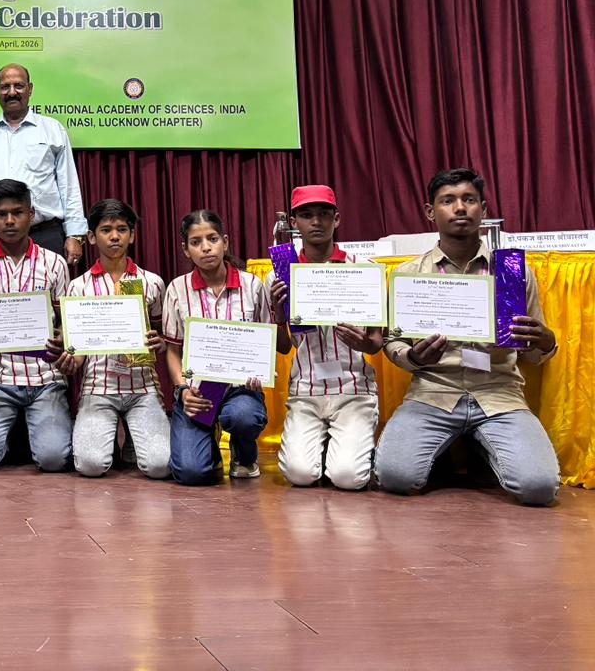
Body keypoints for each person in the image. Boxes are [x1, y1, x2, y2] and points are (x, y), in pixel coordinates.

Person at [374, 168, 560, 506]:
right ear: (430, 212)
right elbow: (392, 341)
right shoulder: (408, 274)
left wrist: (546, 341)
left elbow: (533, 353)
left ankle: (478, 443)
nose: (460, 208)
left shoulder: (512, 272)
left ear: (483, 209)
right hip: (433, 392)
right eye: (448, 201)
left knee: (539, 488)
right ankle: (450, 445)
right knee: (395, 476)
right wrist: (412, 357)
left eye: (469, 199)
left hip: (498, 394)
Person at [266, 186, 382, 491]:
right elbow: (283, 347)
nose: (316, 222)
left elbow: (376, 343)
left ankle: (346, 446)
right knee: (300, 474)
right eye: (306, 215)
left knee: (348, 478)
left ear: (337, 219)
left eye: (323, 214)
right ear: (294, 223)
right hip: (307, 390)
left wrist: (362, 344)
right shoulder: (280, 275)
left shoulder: (363, 269)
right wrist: (279, 314)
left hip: (354, 389)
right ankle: (328, 445)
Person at [164, 209, 284, 484]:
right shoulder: (177, 289)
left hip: (240, 390)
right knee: (190, 473)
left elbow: (268, 342)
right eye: (196, 242)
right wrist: (182, 390)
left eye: (213, 238)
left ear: (225, 242)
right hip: (197, 393)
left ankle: (244, 455)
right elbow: (172, 351)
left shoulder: (252, 285)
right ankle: (210, 449)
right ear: (185, 250)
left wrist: (261, 372)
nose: (206, 247)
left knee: (243, 416)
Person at [0, 180, 72, 473]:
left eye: (18, 212)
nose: (9, 221)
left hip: (46, 378)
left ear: (31, 215)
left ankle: (43, 435)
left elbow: (66, 320)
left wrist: (63, 337)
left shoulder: (55, 263)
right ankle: (6, 438)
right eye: (1, 214)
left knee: (53, 459)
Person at [58, 199, 171, 480]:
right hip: (98, 386)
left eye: (122, 229)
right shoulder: (78, 287)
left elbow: (160, 332)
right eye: (106, 230)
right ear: (91, 237)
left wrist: (159, 343)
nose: (114, 236)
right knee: (91, 465)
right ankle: (112, 440)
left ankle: (133, 439)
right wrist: (72, 361)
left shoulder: (152, 282)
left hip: (143, 387)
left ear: (132, 236)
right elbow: (78, 347)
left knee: (160, 466)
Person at [0, 64, 86, 270]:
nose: (12, 92)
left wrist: (75, 234)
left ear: (30, 89)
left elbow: (69, 185)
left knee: (49, 292)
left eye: (19, 86)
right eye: (5, 87)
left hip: (44, 236)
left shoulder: (53, 130)